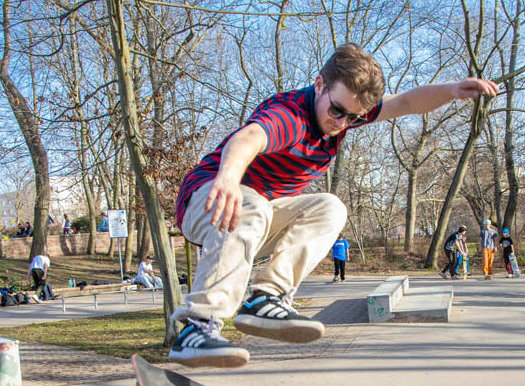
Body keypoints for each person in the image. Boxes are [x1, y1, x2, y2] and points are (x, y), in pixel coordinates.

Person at [166, 43, 498, 368]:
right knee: (251, 203)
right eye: (337, 111)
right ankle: (197, 326)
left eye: (354, 118)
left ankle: (266, 298)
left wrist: (453, 90)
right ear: (319, 85)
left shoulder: (346, 112)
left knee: (331, 207)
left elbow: (408, 102)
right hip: (207, 199)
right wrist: (227, 180)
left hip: (255, 218)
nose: (341, 123)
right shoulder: (292, 117)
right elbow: (248, 138)